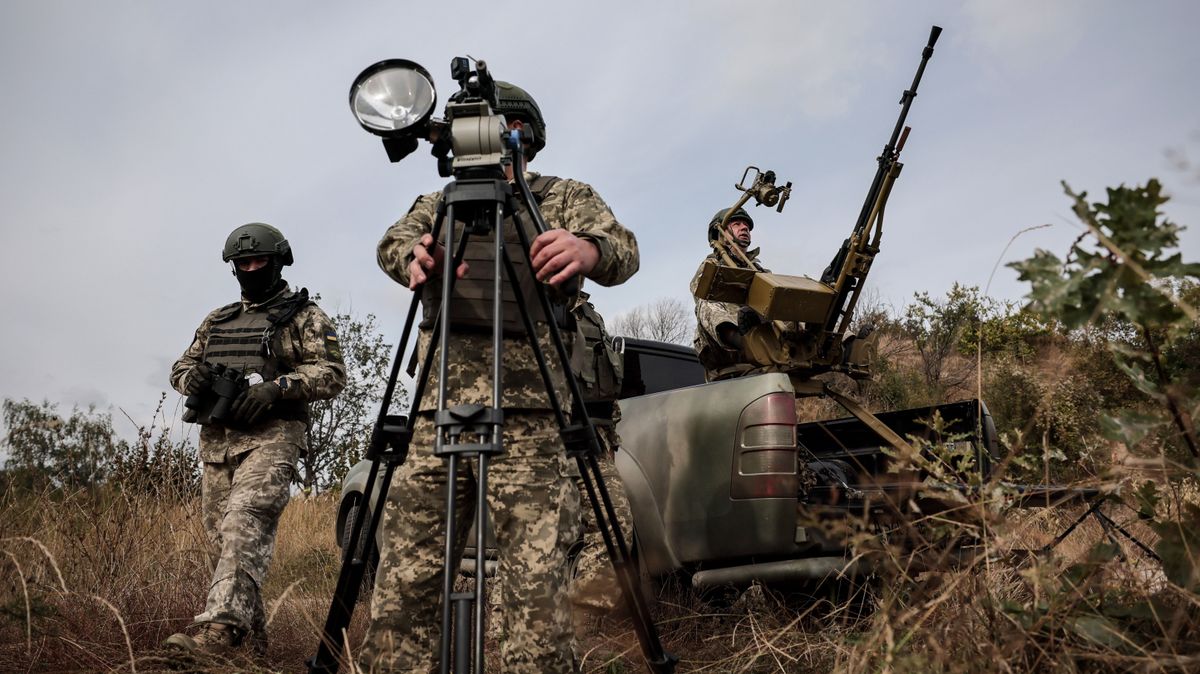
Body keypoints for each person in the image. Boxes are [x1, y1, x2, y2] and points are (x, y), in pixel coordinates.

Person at [359, 81, 639, 673]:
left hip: (535, 425)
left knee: (535, 600)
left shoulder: (562, 196)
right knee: (405, 582)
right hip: (438, 418)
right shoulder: (440, 203)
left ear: (524, 137)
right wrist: (415, 258)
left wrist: (586, 250)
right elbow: (394, 243)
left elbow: (622, 249)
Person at [165, 223, 346, 656]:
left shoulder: (306, 316)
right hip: (218, 442)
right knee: (225, 542)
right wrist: (196, 377)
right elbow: (180, 368)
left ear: (279, 260)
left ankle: (216, 633)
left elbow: (332, 374)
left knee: (244, 523)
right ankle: (253, 650)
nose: (249, 268)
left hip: (273, 438)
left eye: (257, 260)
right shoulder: (219, 319)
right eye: (241, 263)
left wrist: (277, 387)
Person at [689, 207, 767, 382]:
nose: (744, 228)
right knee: (706, 300)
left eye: (746, 225)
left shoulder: (761, 271)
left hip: (765, 349)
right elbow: (700, 297)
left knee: (784, 298)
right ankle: (744, 341)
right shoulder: (711, 267)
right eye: (737, 224)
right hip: (725, 353)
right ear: (721, 232)